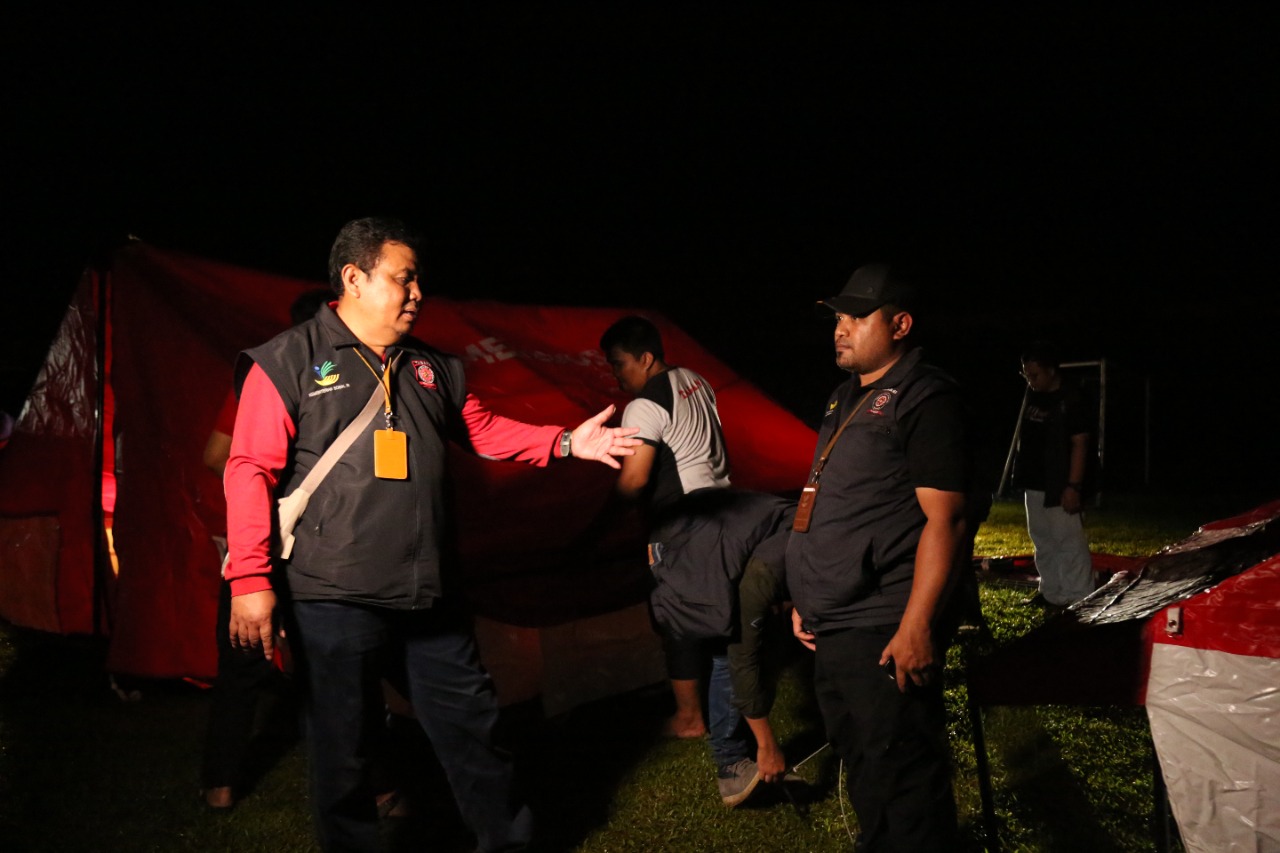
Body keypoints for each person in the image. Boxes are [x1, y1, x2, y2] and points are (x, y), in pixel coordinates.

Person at [223, 216, 640, 852]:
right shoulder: (285, 362)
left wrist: (562, 441)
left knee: (475, 731)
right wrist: (250, 578)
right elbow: (248, 468)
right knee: (346, 751)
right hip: (334, 597)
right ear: (354, 279)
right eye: (403, 278)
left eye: (419, 279)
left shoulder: (433, 367)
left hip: (429, 595)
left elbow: (483, 429)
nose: (418, 292)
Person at [788, 263, 970, 851]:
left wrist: (916, 624)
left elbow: (948, 519)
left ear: (900, 324)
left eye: (856, 317)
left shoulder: (924, 394)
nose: (840, 328)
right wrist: (808, 595)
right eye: (837, 317)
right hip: (834, 624)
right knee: (863, 767)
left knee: (905, 777)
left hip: (883, 623)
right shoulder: (844, 398)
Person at [598, 315, 795, 808]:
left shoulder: (642, 405)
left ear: (644, 358)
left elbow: (637, 478)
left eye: (620, 365)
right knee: (725, 631)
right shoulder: (695, 381)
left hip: (688, 526)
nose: (617, 377)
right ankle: (723, 741)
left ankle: (727, 757)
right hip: (728, 512)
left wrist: (608, 500)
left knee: (704, 633)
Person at [199, 288, 332, 811]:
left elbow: (216, 456)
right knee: (336, 666)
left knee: (245, 666)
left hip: (278, 543)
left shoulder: (269, 372)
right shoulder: (289, 376)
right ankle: (380, 784)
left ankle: (220, 785)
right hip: (300, 547)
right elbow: (220, 457)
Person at [1010, 340, 1096, 608]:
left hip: (1059, 484)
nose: (1030, 380)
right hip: (1035, 482)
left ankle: (1079, 596)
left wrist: (1073, 486)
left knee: (1068, 541)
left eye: (1034, 374)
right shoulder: (1034, 395)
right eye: (1026, 375)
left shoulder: (1072, 399)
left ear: (1051, 370)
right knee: (1042, 539)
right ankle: (1051, 593)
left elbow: (1080, 443)